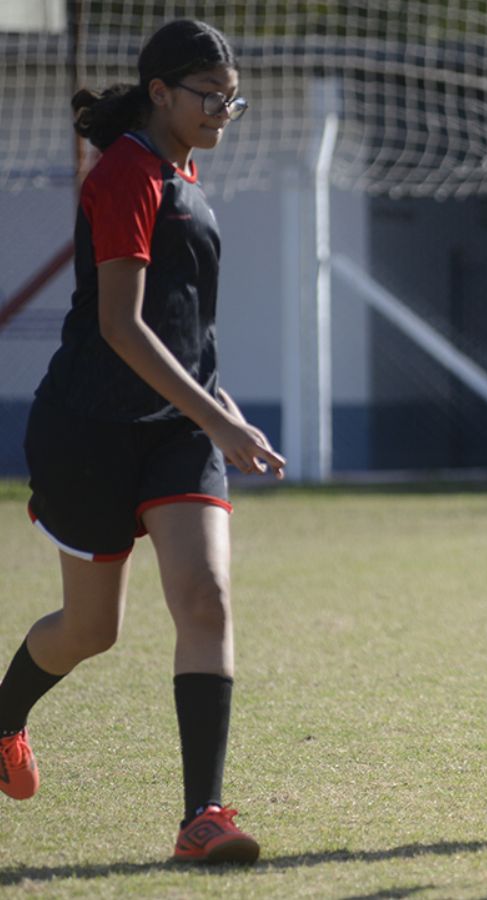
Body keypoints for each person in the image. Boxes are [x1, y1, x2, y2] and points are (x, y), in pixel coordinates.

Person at [0, 19, 281, 863]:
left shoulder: (185, 174)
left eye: (233, 97)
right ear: (160, 92)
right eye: (210, 95)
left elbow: (181, 329)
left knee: (206, 602)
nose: (224, 111)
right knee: (91, 631)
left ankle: (204, 819)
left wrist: (215, 404)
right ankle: (5, 716)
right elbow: (122, 328)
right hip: (88, 429)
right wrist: (217, 415)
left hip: (174, 434)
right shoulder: (125, 169)